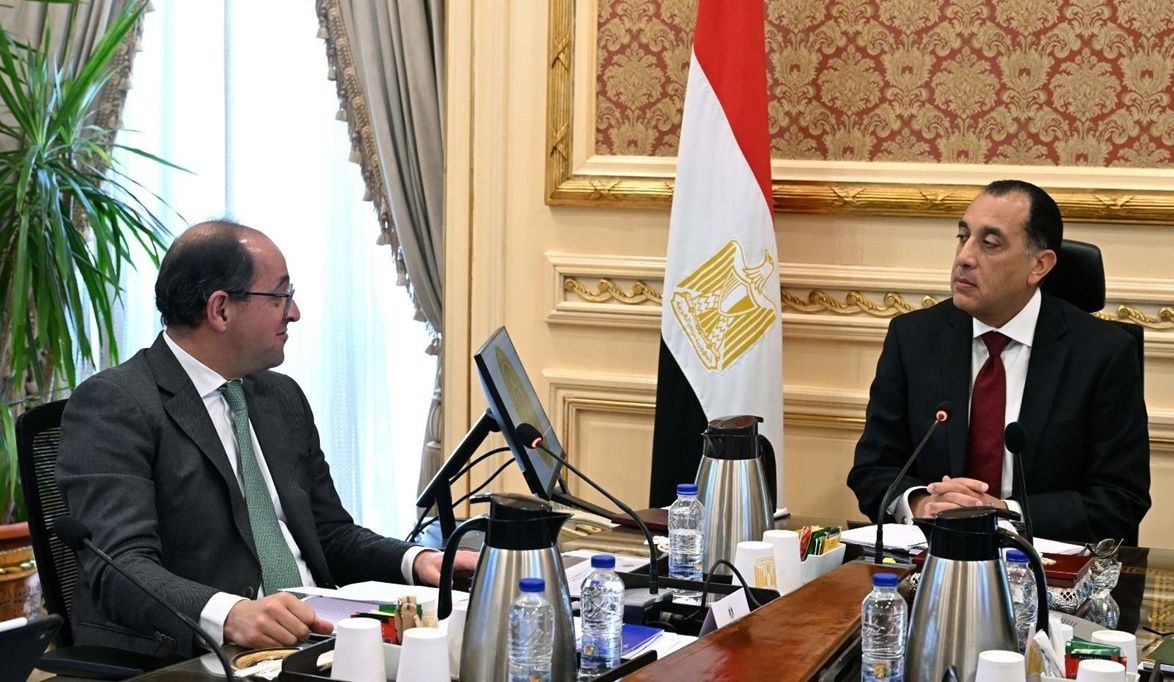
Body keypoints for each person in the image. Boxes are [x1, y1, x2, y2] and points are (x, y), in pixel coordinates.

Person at [57, 221, 478, 659]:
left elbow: (329, 534)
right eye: (280, 296)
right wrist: (230, 614)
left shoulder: (280, 396)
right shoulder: (115, 404)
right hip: (201, 655)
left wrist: (417, 561)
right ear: (221, 309)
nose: (293, 312)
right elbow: (120, 567)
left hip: (314, 637)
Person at [847, 180, 1150, 545]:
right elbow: (872, 469)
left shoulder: (1102, 353)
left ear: (1039, 265)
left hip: (1044, 564)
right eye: (963, 237)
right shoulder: (913, 338)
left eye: (989, 244)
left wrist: (1006, 514)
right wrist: (922, 503)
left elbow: (1120, 498)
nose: (964, 257)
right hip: (931, 556)